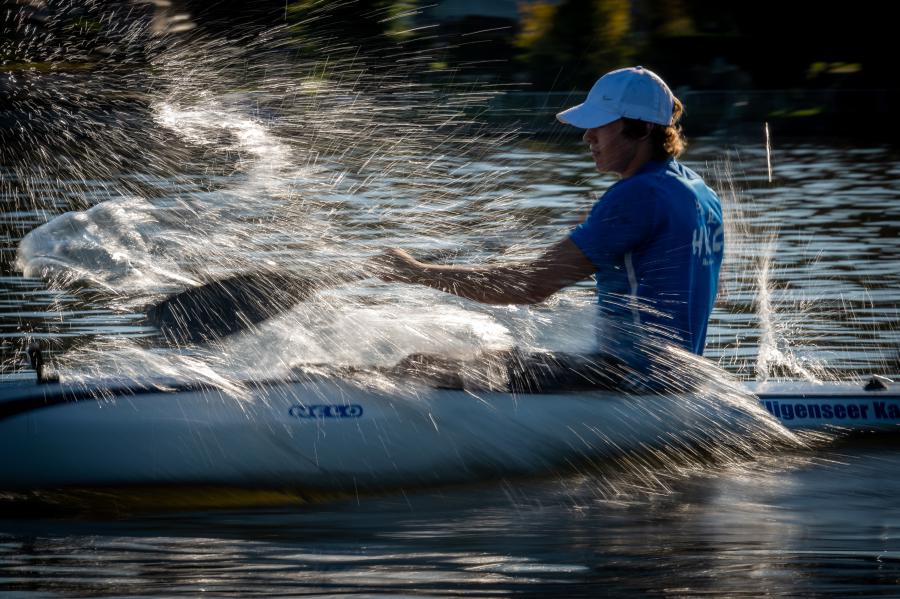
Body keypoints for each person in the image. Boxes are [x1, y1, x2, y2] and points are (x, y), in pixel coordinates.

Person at [378, 66, 724, 392]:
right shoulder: (700, 192)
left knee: (419, 366)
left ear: (643, 128)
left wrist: (416, 272)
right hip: (680, 377)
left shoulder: (638, 195)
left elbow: (531, 285)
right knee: (496, 356)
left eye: (601, 124)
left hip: (630, 380)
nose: (587, 136)